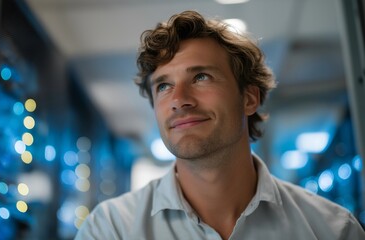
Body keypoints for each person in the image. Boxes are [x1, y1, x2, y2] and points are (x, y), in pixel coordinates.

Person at [75, 10, 365, 240]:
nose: (179, 100)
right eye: (163, 86)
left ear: (249, 98)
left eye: (201, 77)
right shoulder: (110, 230)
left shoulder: (332, 230)